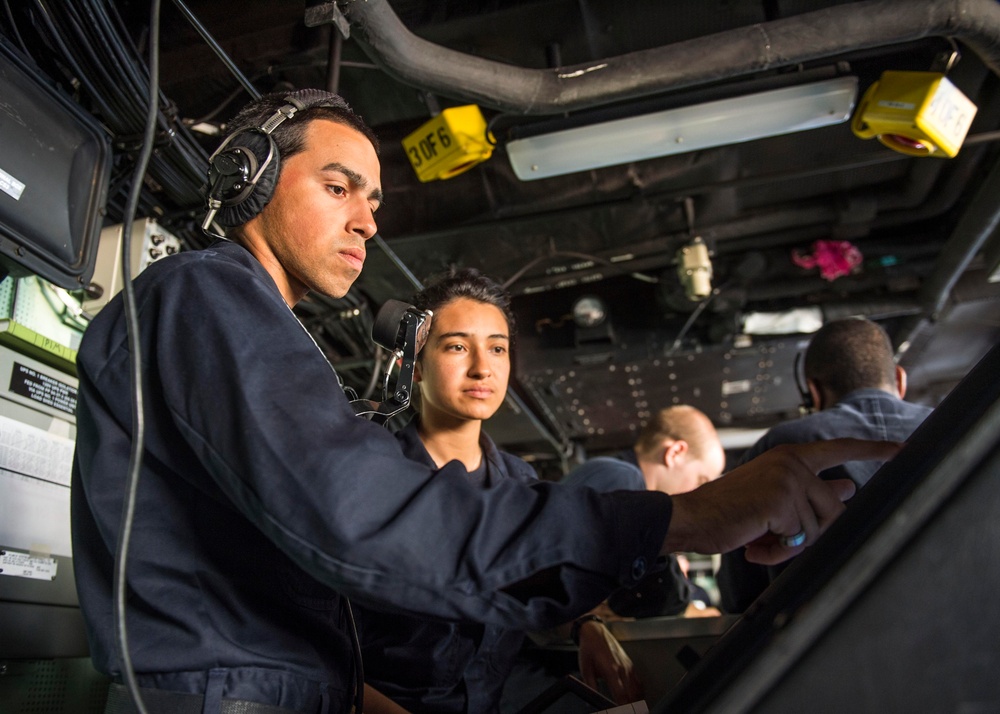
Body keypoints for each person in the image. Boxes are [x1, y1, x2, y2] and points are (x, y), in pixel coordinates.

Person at [70, 88, 899, 714]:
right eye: (338, 186)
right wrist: (682, 518)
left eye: (375, 202)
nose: (366, 222)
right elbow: (359, 521)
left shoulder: (248, 322)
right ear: (249, 177)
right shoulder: (205, 296)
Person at [355, 268, 641, 713]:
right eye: (456, 346)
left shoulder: (519, 482)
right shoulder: (371, 480)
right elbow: (318, 643)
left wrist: (585, 625)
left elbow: (538, 582)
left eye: (497, 348)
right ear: (414, 366)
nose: (482, 367)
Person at [716, 317, 933, 613]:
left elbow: (739, 593)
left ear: (813, 391)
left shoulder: (780, 450)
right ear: (899, 379)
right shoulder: (958, 425)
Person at [561, 405, 726, 619]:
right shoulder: (623, 480)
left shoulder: (615, 475)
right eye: (701, 480)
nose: (698, 493)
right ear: (675, 453)